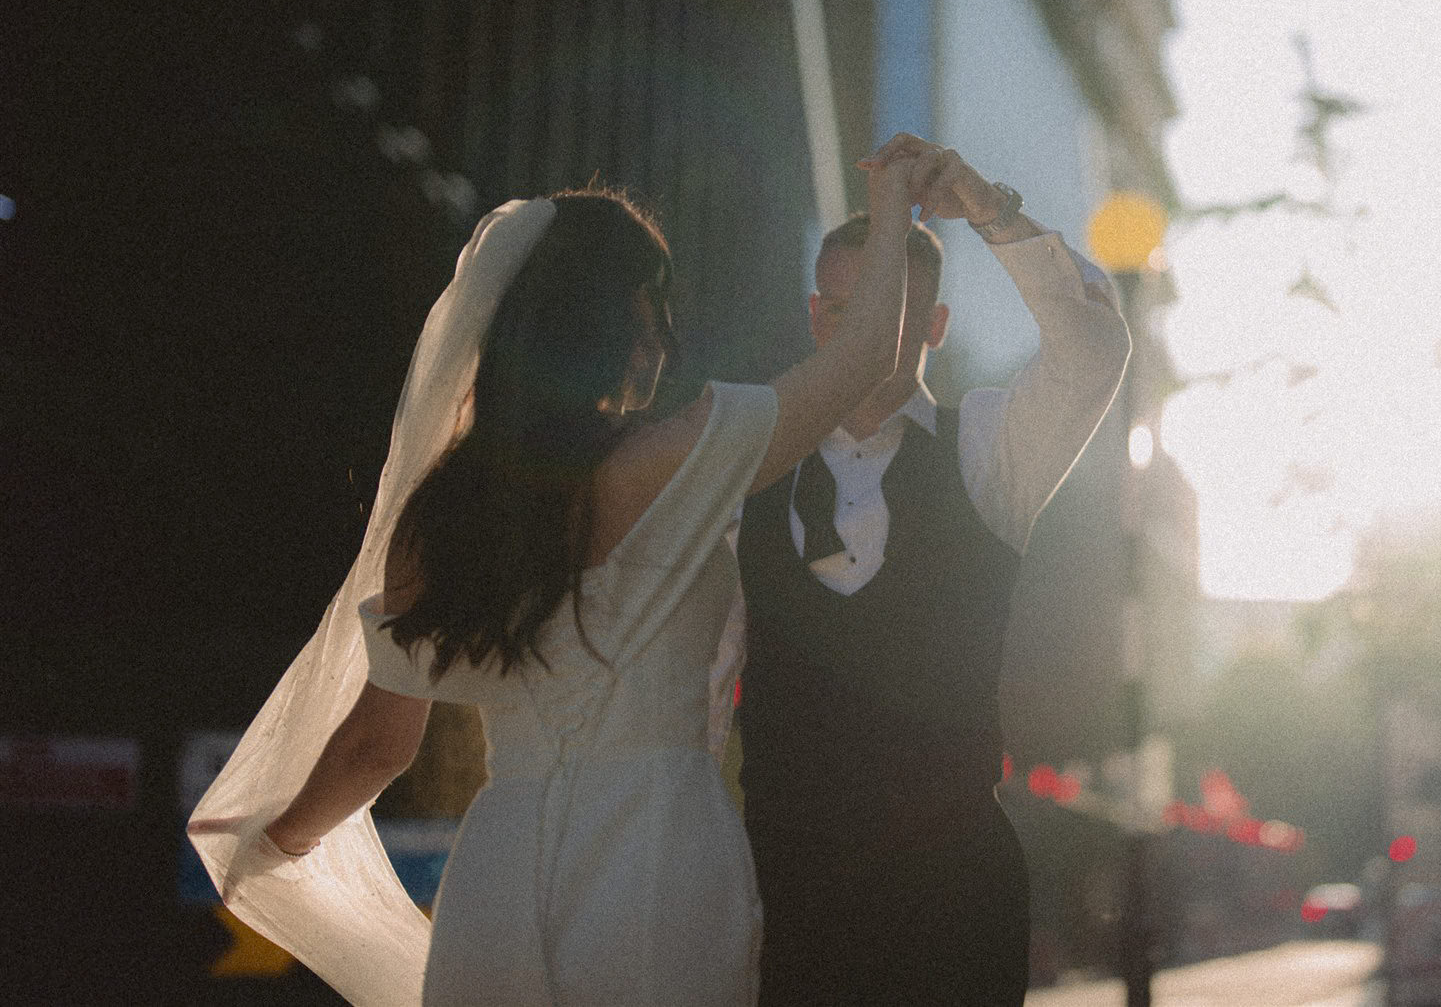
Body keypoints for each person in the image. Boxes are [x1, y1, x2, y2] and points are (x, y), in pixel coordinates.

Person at [189, 149, 920, 1006]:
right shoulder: (674, 459)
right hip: (655, 857)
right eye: (652, 303)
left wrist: (269, 843)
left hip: (499, 865)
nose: (663, 333)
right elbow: (867, 352)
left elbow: (374, 746)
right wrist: (895, 193)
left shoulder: (441, 517)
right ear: (609, 318)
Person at [735, 132, 1132, 1005]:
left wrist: (990, 207)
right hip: (787, 897)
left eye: (896, 308)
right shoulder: (750, 464)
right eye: (845, 311)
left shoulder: (988, 449)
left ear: (939, 325)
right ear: (814, 317)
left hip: (954, 899)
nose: (870, 331)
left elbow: (1096, 349)